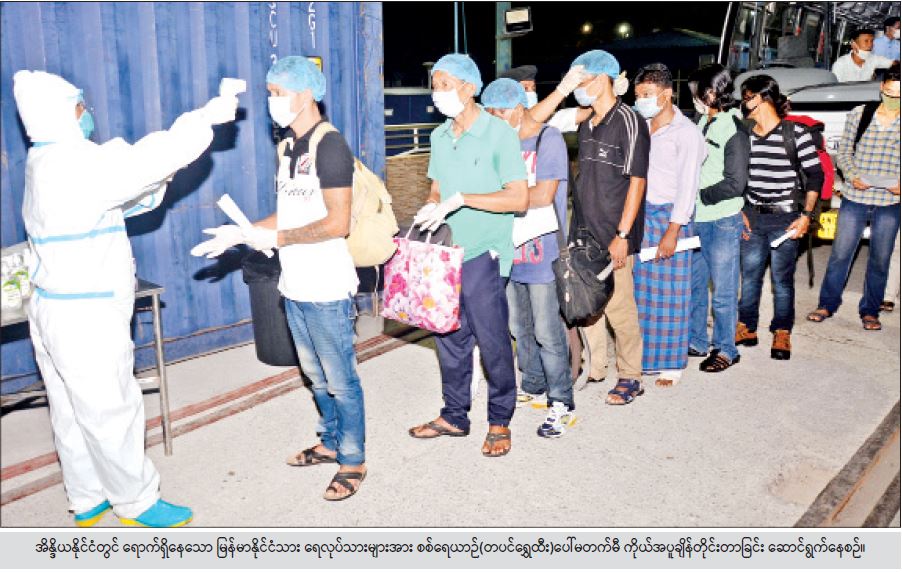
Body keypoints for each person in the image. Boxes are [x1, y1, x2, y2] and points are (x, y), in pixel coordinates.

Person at [14, 70, 237, 527]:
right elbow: (148, 159)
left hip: (53, 305)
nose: (87, 113)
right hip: (84, 314)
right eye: (80, 105)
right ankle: (136, 502)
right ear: (61, 114)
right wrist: (203, 120)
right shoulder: (76, 162)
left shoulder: (44, 160)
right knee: (110, 409)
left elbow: (124, 193)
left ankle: (87, 498)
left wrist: (160, 174)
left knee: (71, 410)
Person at [193, 56, 366, 501]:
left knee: (340, 379)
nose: (271, 102)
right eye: (270, 93)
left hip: (327, 287)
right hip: (294, 283)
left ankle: (352, 459)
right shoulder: (287, 147)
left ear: (305, 95)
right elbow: (288, 213)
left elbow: (338, 222)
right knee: (314, 375)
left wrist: (279, 238)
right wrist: (247, 231)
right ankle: (330, 441)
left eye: (277, 94)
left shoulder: (330, 145)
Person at [406, 54, 528, 457]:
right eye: (434, 85)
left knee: (492, 341)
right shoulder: (440, 136)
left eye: (445, 85)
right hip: (446, 254)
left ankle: (500, 419)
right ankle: (454, 415)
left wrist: (463, 199)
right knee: (448, 336)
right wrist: (433, 204)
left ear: (470, 88)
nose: (437, 93)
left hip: (483, 253)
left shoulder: (499, 134)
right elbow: (437, 188)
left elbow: (519, 198)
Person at [538, 50, 650, 405]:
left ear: (602, 80)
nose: (578, 87)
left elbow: (637, 182)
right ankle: (596, 367)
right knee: (587, 303)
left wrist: (622, 236)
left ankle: (630, 376)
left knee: (619, 308)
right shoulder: (588, 122)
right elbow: (543, 121)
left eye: (582, 81)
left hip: (615, 233)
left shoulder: (630, 121)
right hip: (584, 231)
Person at [481, 78, 575, 437]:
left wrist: (498, 197)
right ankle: (533, 384)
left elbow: (543, 194)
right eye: (491, 112)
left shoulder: (547, 139)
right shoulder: (498, 143)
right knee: (518, 328)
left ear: (520, 106)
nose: (497, 118)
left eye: (502, 111)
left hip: (542, 250)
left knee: (547, 331)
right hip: (509, 249)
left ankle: (561, 401)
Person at [736, 75, 824, 360]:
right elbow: (736, 176)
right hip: (752, 216)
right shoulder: (745, 133)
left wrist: (806, 216)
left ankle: (782, 331)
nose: (743, 103)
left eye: (747, 97)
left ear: (763, 98)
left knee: (782, 281)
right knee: (750, 277)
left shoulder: (796, 133)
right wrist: (740, 210)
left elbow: (815, 176)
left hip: (786, 219)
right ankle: (746, 326)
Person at [807, 64, 901, 331]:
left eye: (899, 96)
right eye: (890, 93)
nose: (894, 99)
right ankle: (827, 304)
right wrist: (851, 175)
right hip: (855, 195)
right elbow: (845, 152)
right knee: (840, 253)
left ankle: (870, 311)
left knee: (880, 259)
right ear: (882, 88)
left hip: (890, 202)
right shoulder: (860, 114)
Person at [631, 64, 706, 388]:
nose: (641, 101)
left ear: (666, 94)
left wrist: (672, 232)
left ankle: (671, 363)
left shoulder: (686, 133)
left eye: (647, 95)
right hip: (642, 215)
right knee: (643, 292)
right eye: (638, 95)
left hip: (671, 217)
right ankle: (645, 357)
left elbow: (688, 187)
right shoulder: (641, 124)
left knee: (671, 294)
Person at [687, 64, 750, 373]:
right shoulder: (703, 121)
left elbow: (736, 183)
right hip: (697, 218)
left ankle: (726, 348)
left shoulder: (734, 127)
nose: (694, 99)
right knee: (696, 285)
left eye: (697, 93)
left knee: (723, 291)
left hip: (722, 219)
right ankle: (697, 340)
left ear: (711, 94)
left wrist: (700, 194)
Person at [832, 28, 897, 83]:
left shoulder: (873, 59)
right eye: (866, 41)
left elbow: (893, 63)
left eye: (872, 41)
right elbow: (835, 88)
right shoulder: (840, 64)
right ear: (853, 44)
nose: (870, 45)